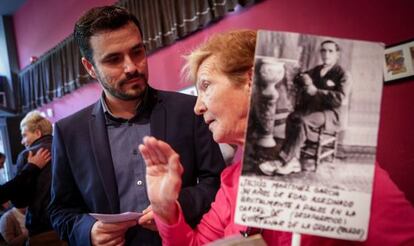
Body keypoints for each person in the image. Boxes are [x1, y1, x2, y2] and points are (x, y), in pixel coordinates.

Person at [138, 30, 414, 245]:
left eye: (206, 86)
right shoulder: (232, 184)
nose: (197, 107)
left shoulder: (336, 169)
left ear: (252, 80)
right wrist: (165, 208)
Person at [48, 6, 225, 246]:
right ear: (90, 67)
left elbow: (215, 183)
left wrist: (173, 207)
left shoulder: (190, 110)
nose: (131, 66)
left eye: (137, 51)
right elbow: (61, 210)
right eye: (113, 59)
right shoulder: (69, 133)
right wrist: (88, 231)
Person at [259, 40, 351, 176]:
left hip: (330, 113)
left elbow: (340, 98)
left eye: (330, 51)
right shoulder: (317, 70)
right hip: (313, 110)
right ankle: (294, 160)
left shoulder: (342, 74)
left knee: (302, 121)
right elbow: (299, 78)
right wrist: (303, 77)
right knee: (293, 117)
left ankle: (282, 160)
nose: (326, 54)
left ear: (337, 54)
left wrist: (316, 91)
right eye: (323, 50)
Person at [12, 111, 65, 245]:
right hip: (72, 226)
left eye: (24, 135)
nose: (22, 141)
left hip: (43, 231)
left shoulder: (26, 155)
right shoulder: (66, 147)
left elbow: (19, 201)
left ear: (38, 133)